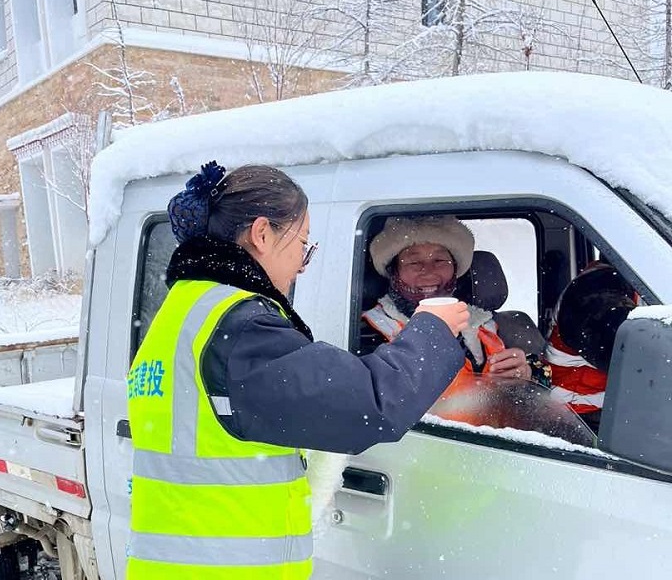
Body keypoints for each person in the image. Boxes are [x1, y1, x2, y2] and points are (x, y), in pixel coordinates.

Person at [126, 162, 470, 580]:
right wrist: (433, 331)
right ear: (262, 234)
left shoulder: (185, 308)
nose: (303, 265)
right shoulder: (239, 327)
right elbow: (371, 403)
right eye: (302, 243)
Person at [363, 216, 536, 386]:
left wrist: (525, 377)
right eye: (414, 262)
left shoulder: (489, 327)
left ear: (455, 268)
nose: (429, 271)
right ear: (394, 273)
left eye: (439, 260)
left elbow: (543, 395)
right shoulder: (368, 333)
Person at [545, 262, 637, 432]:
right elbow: (633, 354)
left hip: (606, 408)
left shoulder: (618, 282)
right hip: (582, 416)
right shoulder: (599, 291)